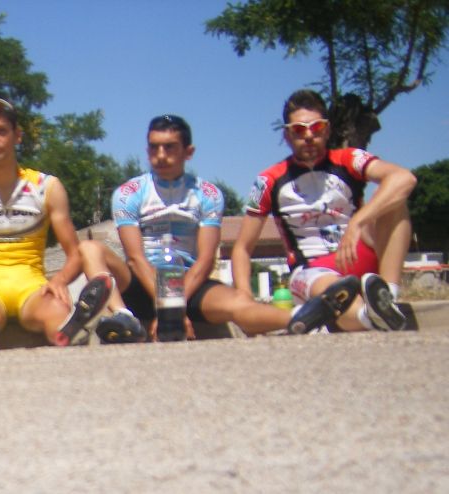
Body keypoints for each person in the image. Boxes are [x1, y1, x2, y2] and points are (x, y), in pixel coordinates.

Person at [80, 114, 346, 342]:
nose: (160, 155)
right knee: (90, 249)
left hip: (188, 282)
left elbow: (206, 259)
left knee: (239, 303)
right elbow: (136, 259)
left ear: (189, 152)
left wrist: (175, 308)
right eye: (154, 147)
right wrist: (166, 308)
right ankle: (124, 317)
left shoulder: (208, 194)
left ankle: (304, 317)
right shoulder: (128, 193)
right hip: (141, 281)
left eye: (169, 147)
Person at [0, 97, 113, 350]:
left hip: (33, 287)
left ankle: (72, 328)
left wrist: (60, 280)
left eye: (1, 131)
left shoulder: (46, 187)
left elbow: (74, 254)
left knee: (56, 309)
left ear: (17, 136)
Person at [232, 89, 417, 333]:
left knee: (394, 198)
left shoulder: (348, 159)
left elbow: (404, 178)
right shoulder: (268, 180)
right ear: (287, 135)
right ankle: (370, 316)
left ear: (327, 130)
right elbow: (242, 248)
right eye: (299, 130)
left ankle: (388, 298)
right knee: (334, 292)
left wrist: (359, 221)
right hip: (313, 269)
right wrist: (245, 296)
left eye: (316, 127)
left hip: (359, 252)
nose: (309, 135)